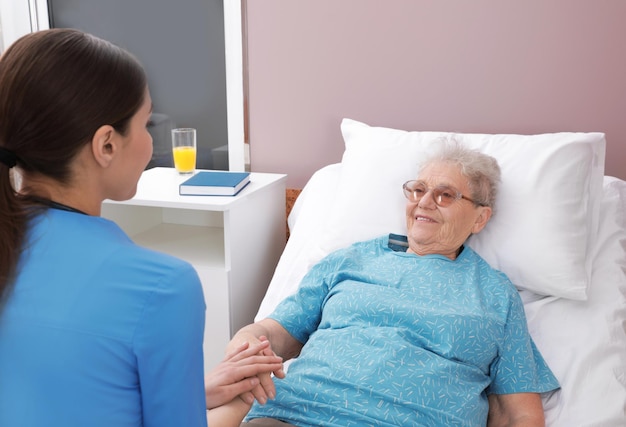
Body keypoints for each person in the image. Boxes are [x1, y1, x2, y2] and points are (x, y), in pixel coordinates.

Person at [0, 29, 281, 427]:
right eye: (146, 124)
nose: (151, 143)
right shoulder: (162, 286)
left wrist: (192, 392)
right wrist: (238, 407)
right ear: (106, 146)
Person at [227, 141, 560, 426]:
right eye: (418, 189)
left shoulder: (495, 294)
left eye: (445, 195)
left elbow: (518, 414)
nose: (424, 202)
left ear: (479, 218)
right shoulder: (350, 260)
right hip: (295, 415)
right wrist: (245, 343)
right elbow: (277, 332)